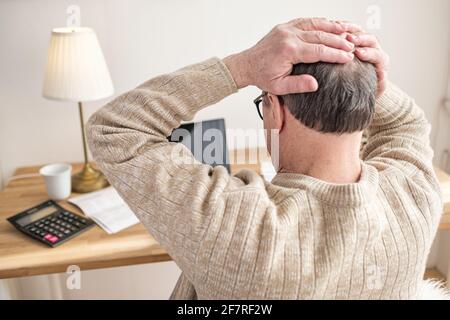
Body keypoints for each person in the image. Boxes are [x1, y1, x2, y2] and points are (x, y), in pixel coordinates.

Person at [86, 18, 443, 299]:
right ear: (369, 104)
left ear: (276, 111)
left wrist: (243, 67)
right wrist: (361, 78)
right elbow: (407, 122)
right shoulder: (416, 196)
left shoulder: (232, 222)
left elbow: (114, 129)